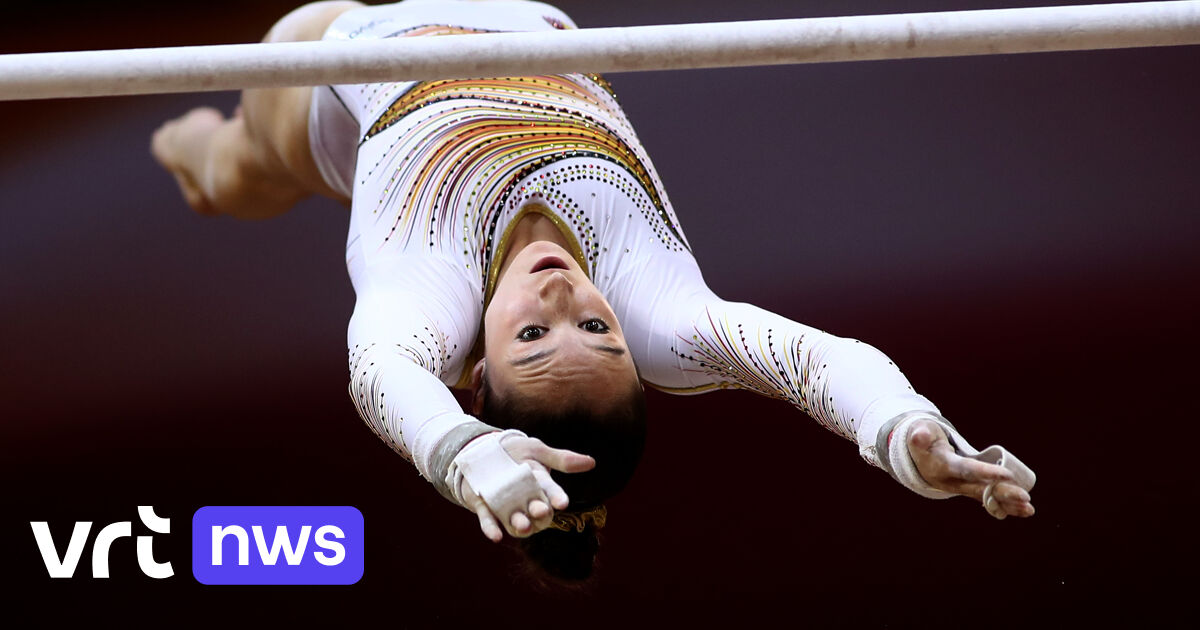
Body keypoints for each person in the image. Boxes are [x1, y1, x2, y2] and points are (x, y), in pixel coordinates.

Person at [152, 0, 1036, 581]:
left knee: (236, 172)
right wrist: (897, 424)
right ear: (637, 349)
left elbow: (381, 375)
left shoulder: (426, 295)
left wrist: (459, 455)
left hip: (339, 57)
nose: (561, 295)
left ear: (472, 373)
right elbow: (815, 361)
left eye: (533, 341)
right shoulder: (665, 315)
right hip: (525, 15)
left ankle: (196, 152)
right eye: (598, 332)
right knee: (240, 181)